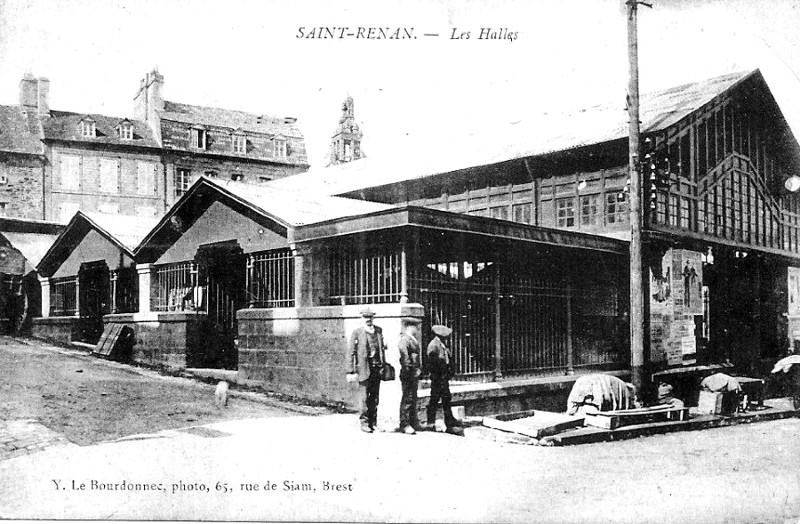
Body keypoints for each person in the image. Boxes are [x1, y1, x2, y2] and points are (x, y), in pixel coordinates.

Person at [347, 307, 387, 433]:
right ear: (362, 318)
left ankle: (373, 423)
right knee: (364, 397)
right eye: (365, 317)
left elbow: (382, 348)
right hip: (364, 369)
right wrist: (350, 371)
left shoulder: (379, 331)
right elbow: (351, 352)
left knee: (375, 397)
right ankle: (364, 423)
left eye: (370, 317)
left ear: (373, 318)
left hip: (377, 369)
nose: (368, 319)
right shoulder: (357, 332)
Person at [426, 324, 462, 435]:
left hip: (443, 377)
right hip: (438, 378)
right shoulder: (434, 345)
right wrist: (438, 375)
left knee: (446, 398)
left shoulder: (442, 344)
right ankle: (431, 422)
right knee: (435, 400)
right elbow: (432, 363)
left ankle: (449, 419)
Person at [398, 317, 423, 434]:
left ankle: (413, 422)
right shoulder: (405, 340)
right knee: (407, 399)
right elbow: (405, 358)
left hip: (413, 373)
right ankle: (404, 424)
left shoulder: (412, 339)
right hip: (408, 373)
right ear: (409, 327)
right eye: (415, 326)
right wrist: (410, 370)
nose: (417, 329)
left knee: (412, 398)